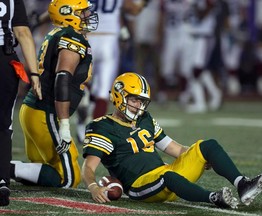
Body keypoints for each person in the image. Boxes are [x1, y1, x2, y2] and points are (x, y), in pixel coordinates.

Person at [81, 72, 262, 208]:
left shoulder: (144, 118)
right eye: (134, 100)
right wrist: (92, 186)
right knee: (168, 177)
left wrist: (200, 156)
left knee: (208, 145)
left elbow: (173, 148)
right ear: (119, 96)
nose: (138, 106)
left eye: (141, 101)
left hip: (165, 173)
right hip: (141, 186)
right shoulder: (103, 127)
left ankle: (242, 184)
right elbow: (89, 167)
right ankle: (214, 198)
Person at [10, 0, 98, 189]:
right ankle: (4, 169)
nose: (88, 16)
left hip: (33, 111)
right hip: (45, 113)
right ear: (69, 15)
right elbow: (63, 78)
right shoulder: (72, 38)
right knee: (68, 178)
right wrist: (65, 125)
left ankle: (9, 169)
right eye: (82, 12)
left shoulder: (56, 33)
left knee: (46, 170)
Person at [76, 0, 151, 143]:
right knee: (103, 92)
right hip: (109, 40)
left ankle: (83, 108)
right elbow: (133, 9)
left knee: (83, 82)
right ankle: (93, 134)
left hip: (87, 36)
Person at [0, 0, 42, 206]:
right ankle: (1, 180)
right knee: (3, 125)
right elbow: (23, 33)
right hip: (4, 60)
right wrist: (34, 73)